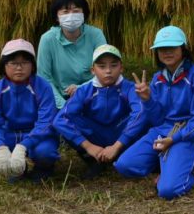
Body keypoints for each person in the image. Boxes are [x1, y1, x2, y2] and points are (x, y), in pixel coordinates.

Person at [113, 26, 194, 200]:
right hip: (162, 131)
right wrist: (147, 99)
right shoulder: (158, 78)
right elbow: (157, 119)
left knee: (168, 191)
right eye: (162, 49)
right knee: (124, 165)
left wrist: (174, 140)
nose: (167, 52)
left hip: (187, 134)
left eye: (172, 47)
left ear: (183, 49)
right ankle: (170, 165)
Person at [53, 44, 145, 179]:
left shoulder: (130, 88)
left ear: (121, 68)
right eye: (102, 66)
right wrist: (89, 147)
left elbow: (140, 112)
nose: (108, 71)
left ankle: (122, 155)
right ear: (93, 70)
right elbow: (60, 120)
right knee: (68, 119)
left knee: (143, 115)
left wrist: (116, 146)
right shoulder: (85, 90)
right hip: (95, 136)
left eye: (113, 65)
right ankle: (93, 159)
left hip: (121, 134)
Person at [0, 39, 59, 182]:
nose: (19, 68)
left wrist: (23, 146)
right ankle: (19, 169)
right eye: (13, 63)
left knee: (45, 153)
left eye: (25, 62)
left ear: (32, 65)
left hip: (36, 134)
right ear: (4, 65)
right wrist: (0, 147)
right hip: (9, 134)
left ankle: (44, 168)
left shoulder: (43, 87)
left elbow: (46, 122)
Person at [37, 0, 107, 109]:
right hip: (60, 98)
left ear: (84, 14)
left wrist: (81, 89)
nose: (71, 15)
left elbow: (106, 70)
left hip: (94, 93)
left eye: (76, 11)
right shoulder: (47, 39)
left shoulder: (96, 35)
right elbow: (44, 78)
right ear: (57, 17)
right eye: (65, 12)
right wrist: (63, 106)